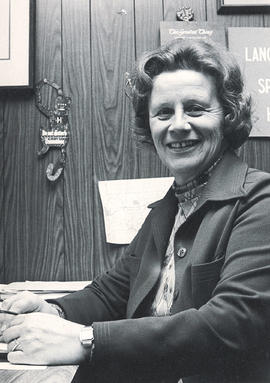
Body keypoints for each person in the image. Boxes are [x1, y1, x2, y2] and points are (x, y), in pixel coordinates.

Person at [1, 38, 270, 383]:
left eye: (195, 109)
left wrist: (86, 340)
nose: (177, 125)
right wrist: (54, 310)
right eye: (163, 113)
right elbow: (112, 291)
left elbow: (233, 321)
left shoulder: (259, 198)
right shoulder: (167, 207)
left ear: (228, 117)